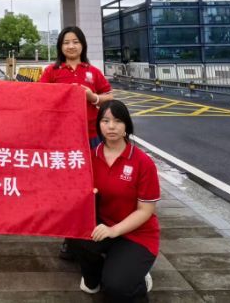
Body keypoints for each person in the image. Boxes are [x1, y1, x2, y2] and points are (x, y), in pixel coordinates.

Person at [70, 100, 160, 302]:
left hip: (136, 234)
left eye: (118, 121)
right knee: (73, 231)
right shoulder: (89, 158)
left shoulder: (142, 162)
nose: (111, 126)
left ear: (126, 125)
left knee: (117, 287)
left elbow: (145, 211)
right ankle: (95, 278)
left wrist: (113, 230)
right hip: (104, 226)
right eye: (105, 121)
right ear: (98, 125)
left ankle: (138, 279)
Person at [39, 26, 113, 260]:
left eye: (75, 42)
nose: (71, 46)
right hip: (63, 141)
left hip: (91, 137)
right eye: (66, 42)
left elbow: (109, 97)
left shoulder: (93, 72)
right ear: (60, 47)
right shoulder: (52, 71)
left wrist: (93, 97)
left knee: (94, 188)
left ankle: (96, 235)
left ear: (83, 45)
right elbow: (38, 97)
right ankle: (70, 239)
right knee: (68, 190)